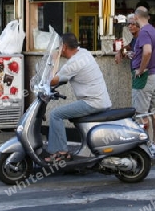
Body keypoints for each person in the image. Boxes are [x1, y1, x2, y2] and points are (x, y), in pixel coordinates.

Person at [45, 33, 112, 163]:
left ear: (64, 47)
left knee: (55, 114)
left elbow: (52, 80)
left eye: (58, 47)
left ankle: (62, 153)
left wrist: (54, 59)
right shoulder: (83, 53)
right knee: (60, 113)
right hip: (99, 100)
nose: (57, 50)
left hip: (92, 102)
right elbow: (65, 77)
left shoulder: (73, 63)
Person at [131, 6, 155, 155]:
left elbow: (148, 51)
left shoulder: (143, 32)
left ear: (137, 17)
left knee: (141, 114)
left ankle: (146, 148)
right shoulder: (153, 30)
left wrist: (141, 69)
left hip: (145, 77)